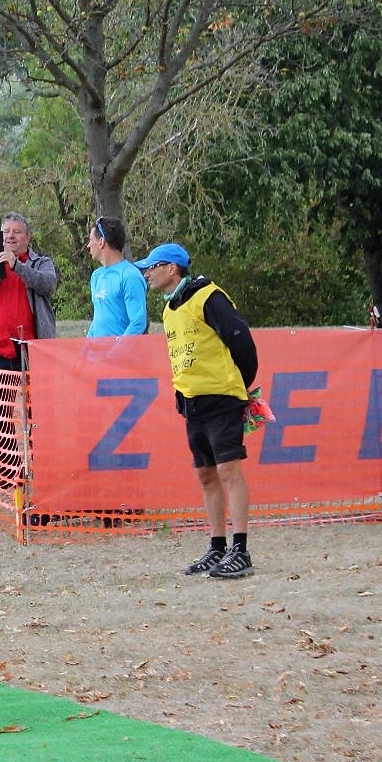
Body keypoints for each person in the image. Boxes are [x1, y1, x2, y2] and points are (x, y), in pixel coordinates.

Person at [137, 242, 259, 579]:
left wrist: (239, 386)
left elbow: (242, 342)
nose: (147, 273)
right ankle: (217, 546)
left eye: (152, 266)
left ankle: (240, 550)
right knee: (206, 474)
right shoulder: (170, 309)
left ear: (172, 268)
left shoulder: (209, 297)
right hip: (193, 403)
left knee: (228, 470)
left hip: (222, 398)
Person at [0, 212, 59, 371]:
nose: (10, 236)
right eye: (6, 232)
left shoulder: (40, 262)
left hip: (33, 351)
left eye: (17, 232)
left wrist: (16, 265)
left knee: (34, 389)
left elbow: (48, 285)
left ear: (28, 237)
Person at [86, 216, 147, 337]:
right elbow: (97, 321)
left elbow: (138, 323)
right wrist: (86, 346)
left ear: (101, 242)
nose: (88, 246)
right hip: (98, 349)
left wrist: (117, 348)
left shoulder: (130, 275)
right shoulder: (96, 276)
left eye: (90, 240)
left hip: (122, 349)